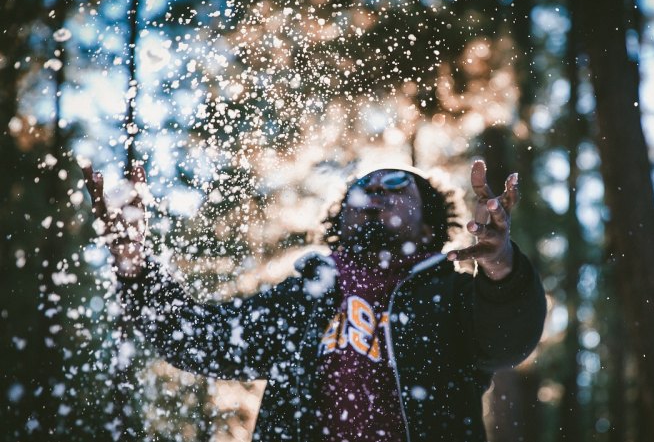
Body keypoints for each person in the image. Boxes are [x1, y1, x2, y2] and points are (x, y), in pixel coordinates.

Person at [82, 160, 547, 442]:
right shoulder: (304, 296)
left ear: (428, 226)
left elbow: (508, 342)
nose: (376, 192)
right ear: (342, 219)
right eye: (364, 188)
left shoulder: (451, 296)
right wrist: (134, 265)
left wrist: (502, 265)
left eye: (395, 186)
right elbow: (196, 339)